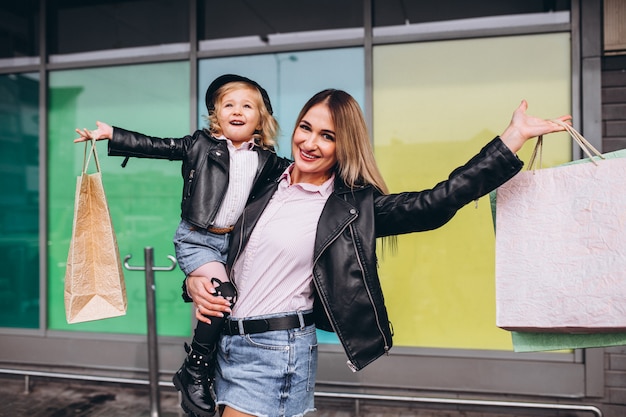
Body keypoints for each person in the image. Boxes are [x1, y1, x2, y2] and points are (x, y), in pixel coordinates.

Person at [183, 89, 572, 417]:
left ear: (344, 145)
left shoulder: (351, 206)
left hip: (274, 351)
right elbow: (213, 239)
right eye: (306, 128)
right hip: (223, 343)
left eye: (327, 136)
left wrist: (510, 140)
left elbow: (436, 203)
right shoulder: (265, 181)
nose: (310, 143)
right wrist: (196, 277)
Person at [74, 74, 290, 417]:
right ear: (216, 115)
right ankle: (195, 367)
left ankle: (218, 377)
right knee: (221, 294)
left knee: (227, 308)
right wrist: (113, 134)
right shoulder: (200, 145)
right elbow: (158, 146)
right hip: (198, 239)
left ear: (261, 119)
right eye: (228, 105)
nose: (237, 111)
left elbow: (308, 174)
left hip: (234, 245)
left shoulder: (270, 162)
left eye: (247, 106)